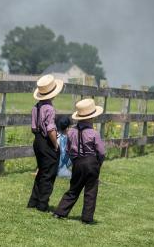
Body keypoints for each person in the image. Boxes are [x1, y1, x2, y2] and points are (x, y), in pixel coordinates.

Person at [53, 99, 105, 224]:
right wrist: (98, 163)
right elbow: (101, 152)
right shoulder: (94, 133)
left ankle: (60, 212)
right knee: (90, 191)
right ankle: (87, 218)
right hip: (92, 162)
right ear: (91, 118)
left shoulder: (71, 132)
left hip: (77, 162)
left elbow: (67, 149)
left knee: (74, 188)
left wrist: (74, 160)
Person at [27, 74, 64, 212]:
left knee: (41, 171)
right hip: (46, 141)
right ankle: (42, 204)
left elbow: (33, 127)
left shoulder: (36, 106)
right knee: (49, 174)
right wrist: (55, 145)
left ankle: (33, 201)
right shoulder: (49, 108)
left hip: (37, 140)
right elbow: (50, 129)